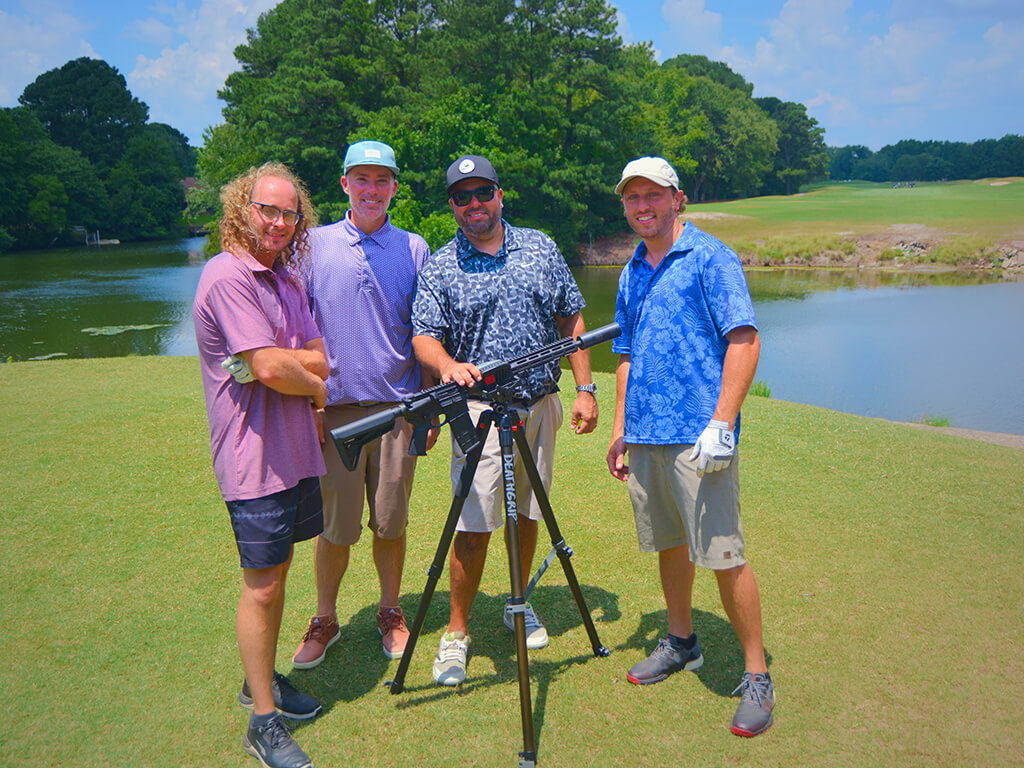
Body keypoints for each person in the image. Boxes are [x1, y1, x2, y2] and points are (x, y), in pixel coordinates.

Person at [411, 154, 599, 687]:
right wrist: (447, 366)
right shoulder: (442, 265)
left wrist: (584, 387)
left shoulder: (540, 247)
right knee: (473, 526)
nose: (475, 205)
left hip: (539, 405)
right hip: (478, 414)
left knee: (529, 515)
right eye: (462, 197)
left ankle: (519, 601)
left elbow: (571, 317)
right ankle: (456, 633)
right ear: (452, 205)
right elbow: (424, 334)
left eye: (483, 193)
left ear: (500, 195)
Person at [605, 156, 775, 737]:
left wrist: (723, 421)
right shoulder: (631, 270)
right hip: (647, 434)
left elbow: (744, 339)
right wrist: (622, 426)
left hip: (699, 436)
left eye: (653, 195)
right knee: (670, 545)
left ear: (678, 199)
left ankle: (756, 674)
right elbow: (624, 353)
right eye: (632, 198)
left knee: (723, 552)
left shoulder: (710, 257)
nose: (642, 206)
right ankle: (682, 642)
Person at [193, 162, 327, 768]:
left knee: (281, 569)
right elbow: (272, 370)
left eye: (288, 213)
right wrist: (309, 383)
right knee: (264, 583)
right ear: (243, 209)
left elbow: (316, 359)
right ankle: (263, 720)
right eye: (266, 209)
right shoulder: (227, 276)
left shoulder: (289, 282)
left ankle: (260, 680)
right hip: (252, 458)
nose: (277, 222)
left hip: (295, 452)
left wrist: (294, 369)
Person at [290, 140, 432, 666]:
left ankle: (389, 610)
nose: (372, 190)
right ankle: (325, 619)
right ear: (345, 183)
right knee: (337, 526)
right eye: (362, 179)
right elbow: (296, 330)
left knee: (391, 522)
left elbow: (427, 330)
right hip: (336, 414)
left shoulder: (415, 248)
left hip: (398, 414)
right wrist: (310, 403)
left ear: (394, 187)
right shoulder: (311, 246)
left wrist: (427, 409)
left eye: (382, 180)